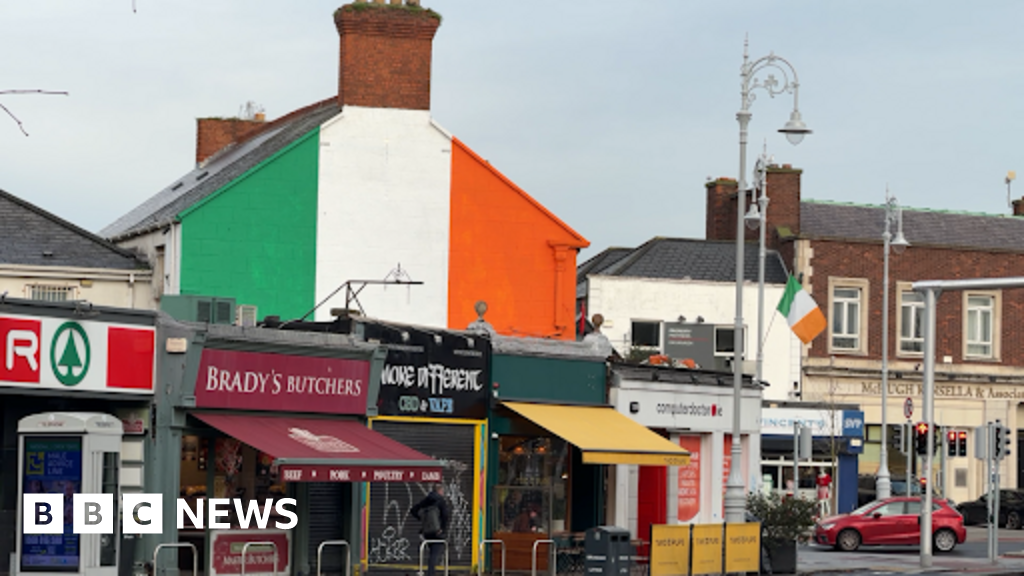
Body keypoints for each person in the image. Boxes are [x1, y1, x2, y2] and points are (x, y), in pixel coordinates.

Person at [410, 484, 449, 576]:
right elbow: (445, 516)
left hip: (427, 532)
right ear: (439, 491)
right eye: (442, 491)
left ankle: (429, 572)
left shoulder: (426, 500)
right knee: (434, 555)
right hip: (437, 532)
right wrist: (442, 529)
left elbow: (413, 510)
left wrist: (422, 519)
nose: (443, 493)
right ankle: (430, 573)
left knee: (430, 553)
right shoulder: (441, 501)